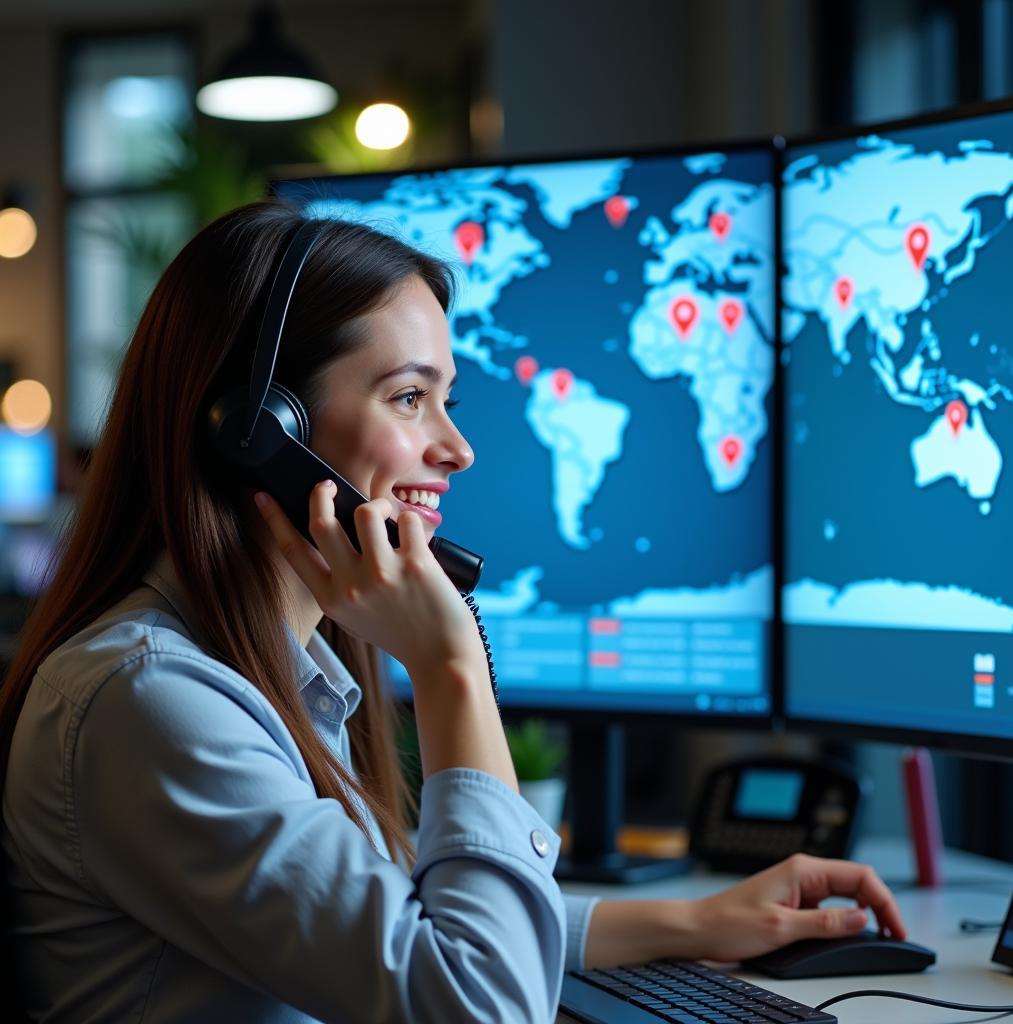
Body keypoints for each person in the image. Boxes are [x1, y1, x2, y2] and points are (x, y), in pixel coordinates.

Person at [0, 201, 906, 1023]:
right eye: (408, 397)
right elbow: (479, 1000)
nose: (458, 448)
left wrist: (698, 920)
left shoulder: (253, 672)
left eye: (447, 400)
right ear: (262, 431)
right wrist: (450, 667)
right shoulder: (151, 705)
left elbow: (407, 916)